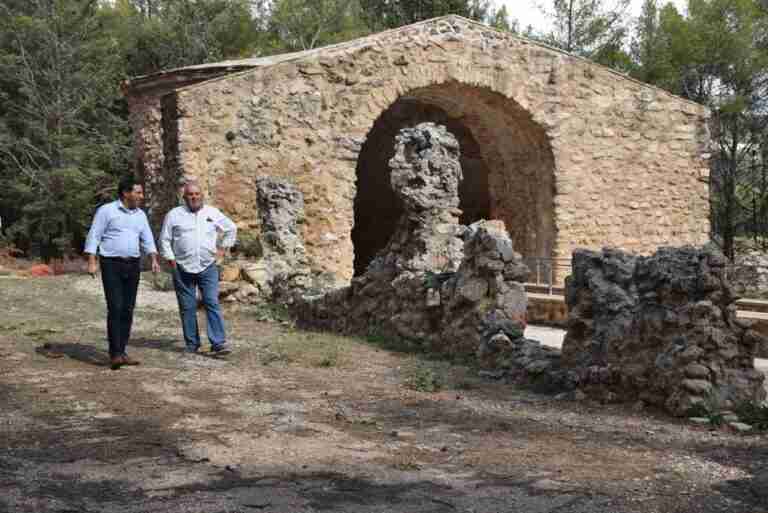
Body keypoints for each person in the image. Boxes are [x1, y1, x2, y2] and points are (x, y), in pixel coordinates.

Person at [84, 176, 160, 370]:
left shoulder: (140, 215)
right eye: (138, 192)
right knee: (115, 307)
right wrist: (92, 261)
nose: (141, 196)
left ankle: (122, 351)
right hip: (111, 264)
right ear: (126, 193)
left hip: (133, 265)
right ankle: (115, 353)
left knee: (128, 308)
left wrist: (153, 258)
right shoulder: (106, 211)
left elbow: (147, 238)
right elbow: (94, 235)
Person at [160, 182, 237, 355]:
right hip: (182, 267)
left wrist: (222, 250)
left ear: (202, 196)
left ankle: (218, 343)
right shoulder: (174, 215)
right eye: (190, 194)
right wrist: (171, 259)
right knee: (187, 306)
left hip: (208, 266)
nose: (194, 197)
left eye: (197, 194)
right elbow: (165, 238)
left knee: (211, 302)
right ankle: (192, 344)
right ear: (184, 197)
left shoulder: (212, 212)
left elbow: (231, 229)